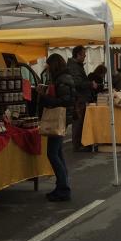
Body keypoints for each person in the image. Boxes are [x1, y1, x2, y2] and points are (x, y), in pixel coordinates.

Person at [38, 54, 75, 201]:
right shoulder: (63, 78)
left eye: (48, 66)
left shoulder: (62, 79)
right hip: (63, 119)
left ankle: (63, 188)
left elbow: (64, 100)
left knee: (52, 154)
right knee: (58, 153)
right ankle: (62, 185)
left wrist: (44, 97)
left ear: (53, 65)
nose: (46, 69)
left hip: (58, 119)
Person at [67, 46, 95, 151]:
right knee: (78, 122)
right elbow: (77, 83)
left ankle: (79, 144)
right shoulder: (74, 67)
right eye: (83, 54)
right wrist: (90, 84)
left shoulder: (76, 66)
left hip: (80, 98)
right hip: (78, 98)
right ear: (78, 54)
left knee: (80, 121)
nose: (85, 56)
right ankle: (77, 145)